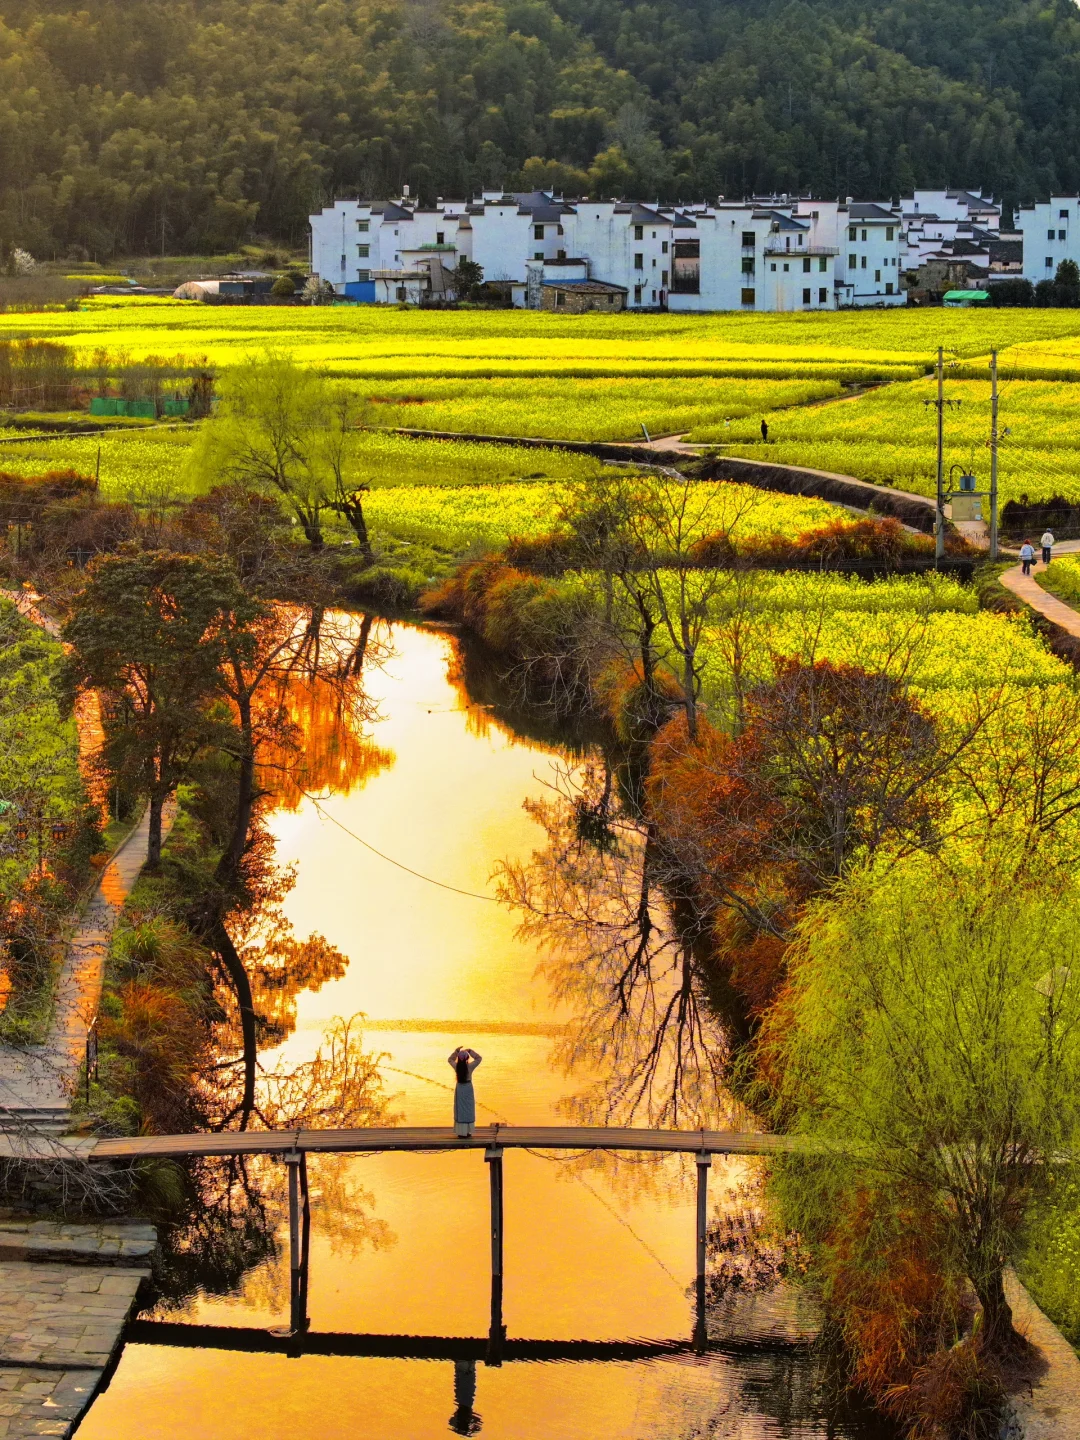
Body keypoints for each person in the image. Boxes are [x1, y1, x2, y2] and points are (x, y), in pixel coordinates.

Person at [449, 1046, 482, 1137]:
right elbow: (479, 1058)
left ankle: (461, 1132)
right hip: (468, 1087)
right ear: (467, 1058)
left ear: (459, 1059)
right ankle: (468, 1131)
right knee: (468, 1108)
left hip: (460, 1088)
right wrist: (470, 1051)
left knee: (460, 1109)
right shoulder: (470, 1067)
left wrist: (456, 1051)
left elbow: (450, 1059)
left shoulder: (456, 1066)